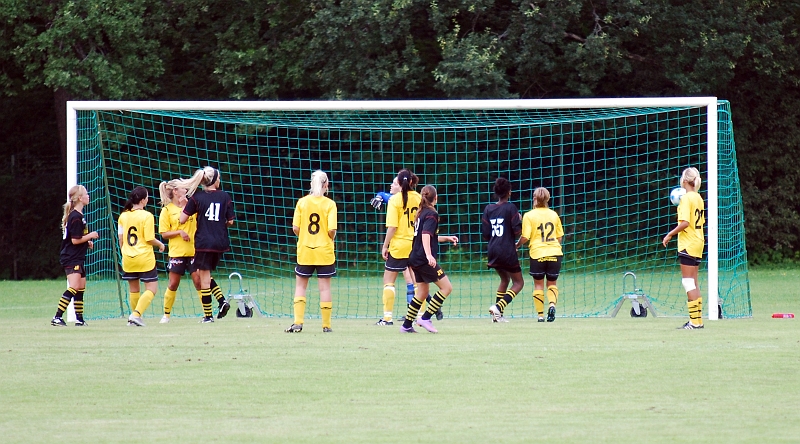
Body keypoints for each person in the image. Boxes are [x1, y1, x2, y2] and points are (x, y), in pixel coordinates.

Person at [158, 179, 231, 323]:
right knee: (173, 283)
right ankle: (166, 315)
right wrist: (179, 232)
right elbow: (164, 233)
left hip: (195, 249)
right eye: (183, 188)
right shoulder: (167, 211)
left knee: (200, 280)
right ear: (175, 191)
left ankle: (208, 313)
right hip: (177, 252)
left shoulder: (193, 204)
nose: (186, 190)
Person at [178, 167, 236, 323]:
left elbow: (182, 219)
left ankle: (208, 315)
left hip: (204, 242)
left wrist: (186, 205)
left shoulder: (197, 198)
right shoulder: (225, 196)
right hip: (220, 242)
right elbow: (230, 221)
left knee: (203, 278)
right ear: (215, 180)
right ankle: (221, 300)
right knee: (206, 275)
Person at [400, 185, 458, 333]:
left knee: (422, 293)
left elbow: (429, 236)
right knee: (447, 288)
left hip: (414, 257)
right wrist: (429, 255)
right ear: (436, 198)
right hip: (423, 259)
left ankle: (406, 325)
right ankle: (425, 318)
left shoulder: (421, 213)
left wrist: (446, 238)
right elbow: (425, 235)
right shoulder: (432, 214)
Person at [285, 170, 338, 333]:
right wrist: (328, 238)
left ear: (310, 184)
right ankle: (326, 325)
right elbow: (332, 230)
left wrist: (305, 237)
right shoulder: (330, 204)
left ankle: (298, 322)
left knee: (301, 286)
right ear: (326, 185)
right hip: (324, 251)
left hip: (305, 250)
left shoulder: (302, 202)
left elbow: (295, 228)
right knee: (325, 288)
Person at [375, 169, 422, 326]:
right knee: (417, 282)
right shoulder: (419, 198)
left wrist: (385, 246)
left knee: (389, 280)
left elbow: (392, 227)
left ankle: (387, 318)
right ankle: (420, 316)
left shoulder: (395, 200)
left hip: (399, 246)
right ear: (411, 182)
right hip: (415, 244)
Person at [662, 167, 706, 329]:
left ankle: (695, 322)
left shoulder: (686, 199)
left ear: (685, 181)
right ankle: (697, 321)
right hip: (698, 241)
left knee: (688, 282)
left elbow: (685, 223)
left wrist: (670, 234)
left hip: (688, 243)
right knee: (694, 282)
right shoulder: (698, 197)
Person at [52, 185, 100, 327]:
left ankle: (79, 319)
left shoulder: (78, 215)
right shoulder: (75, 217)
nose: (88, 195)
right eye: (86, 194)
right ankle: (57, 317)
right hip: (71, 257)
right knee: (74, 286)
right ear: (80, 198)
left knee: (81, 287)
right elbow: (74, 240)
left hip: (78, 256)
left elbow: (78, 238)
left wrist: (87, 242)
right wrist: (90, 236)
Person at [118, 186, 165, 326]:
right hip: (144, 258)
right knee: (151, 289)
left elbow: (120, 239)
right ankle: (136, 315)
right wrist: (160, 244)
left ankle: (134, 317)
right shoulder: (147, 216)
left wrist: (125, 251)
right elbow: (149, 238)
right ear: (143, 200)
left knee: (134, 289)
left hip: (128, 258)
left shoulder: (123, 216)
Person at [516, 187, 564, 322]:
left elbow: (525, 236)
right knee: (552, 283)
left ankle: (541, 315)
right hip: (555, 252)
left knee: (538, 285)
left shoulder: (529, 215)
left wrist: (517, 245)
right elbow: (559, 237)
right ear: (548, 199)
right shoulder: (554, 215)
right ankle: (552, 305)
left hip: (538, 253)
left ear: (534, 198)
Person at [482, 177, 524, 323]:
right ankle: (498, 307)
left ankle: (497, 316)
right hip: (507, 250)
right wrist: (520, 219)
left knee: (504, 279)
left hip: (493, 250)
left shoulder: (488, 208)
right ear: (509, 192)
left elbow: (486, 234)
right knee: (519, 283)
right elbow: (517, 230)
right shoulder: (511, 208)